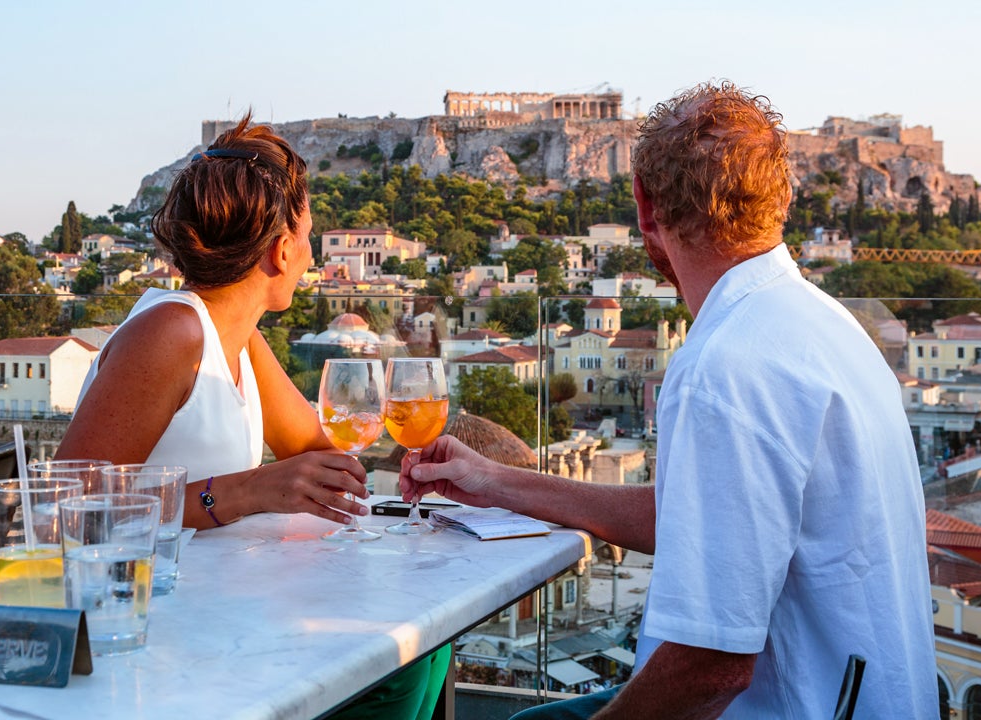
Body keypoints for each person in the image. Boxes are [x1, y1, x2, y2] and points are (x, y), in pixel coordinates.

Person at [401, 82, 939, 719]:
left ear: (645, 209)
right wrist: (495, 481)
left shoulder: (726, 366)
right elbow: (690, 518)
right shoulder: (825, 325)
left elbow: (712, 670)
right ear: (785, 199)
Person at [57, 115, 447, 720]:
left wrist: (397, 449)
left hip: (217, 603)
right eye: (309, 237)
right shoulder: (170, 331)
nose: (313, 258)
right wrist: (246, 491)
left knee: (422, 644)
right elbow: (68, 508)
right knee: (402, 663)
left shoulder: (236, 337)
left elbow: (321, 454)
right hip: (139, 625)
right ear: (281, 249)